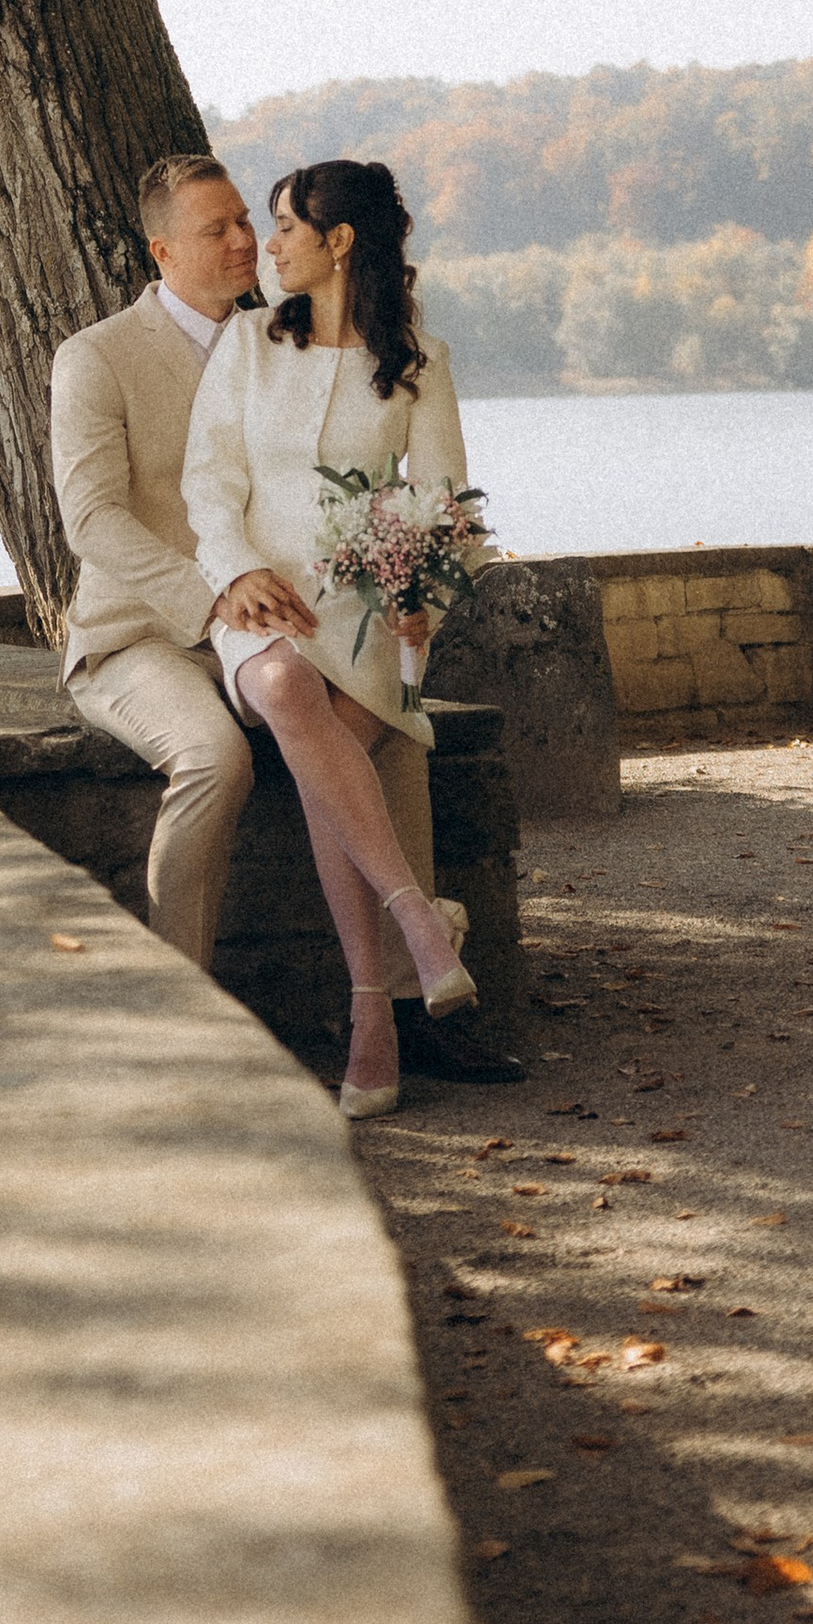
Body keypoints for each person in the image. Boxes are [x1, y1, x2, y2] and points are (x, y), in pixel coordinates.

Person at [49, 152, 441, 1015]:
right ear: (162, 252)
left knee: (394, 722)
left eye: (245, 222)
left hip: (281, 624)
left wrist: (401, 593)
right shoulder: (96, 358)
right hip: (142, 636)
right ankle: (180, 1007)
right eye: (217, 230)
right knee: (213, 758)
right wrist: (214, 589)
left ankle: (417, 1005)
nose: (243, 243)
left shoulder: (287, 337)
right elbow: (93, 522)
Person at [182, 155, 490, 1119]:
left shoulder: (419, 365)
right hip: (257, 609)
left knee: (323, 771)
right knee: (280, 688)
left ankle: (372, 1023)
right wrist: (234, 572)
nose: (265, 245)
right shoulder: (247, 345)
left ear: (338, 241)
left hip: (362, 626)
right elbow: (208, 482)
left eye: (283, 226)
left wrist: (419, 603)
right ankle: (419, 922)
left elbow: (449, 517)